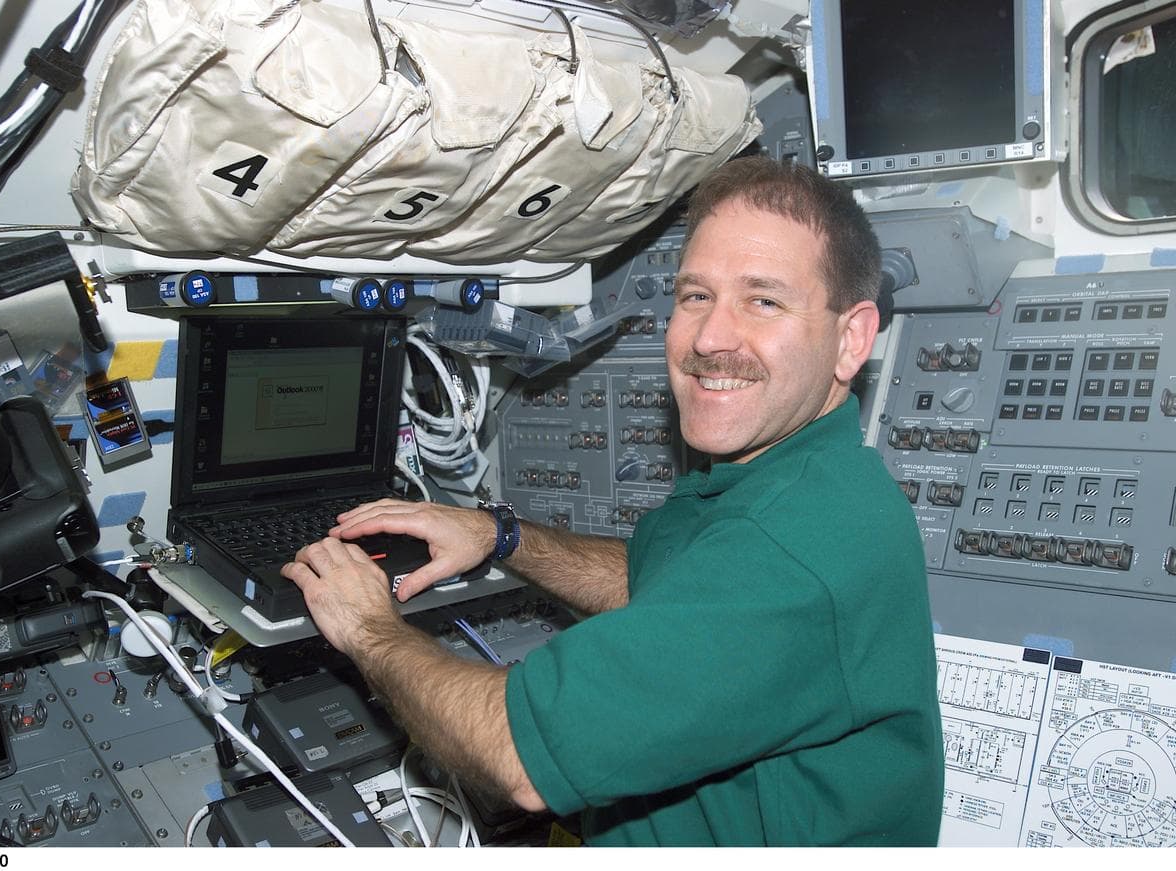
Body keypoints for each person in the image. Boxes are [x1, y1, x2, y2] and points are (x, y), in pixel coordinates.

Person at [281, 156, 944, 846]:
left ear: (851, 338)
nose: (711, 338)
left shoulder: (801, 542)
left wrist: (367, 627)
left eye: (763, 300)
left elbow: (517, 754)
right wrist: (500, 535)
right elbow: (663, 584)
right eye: (695, 296)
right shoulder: (786, 475)